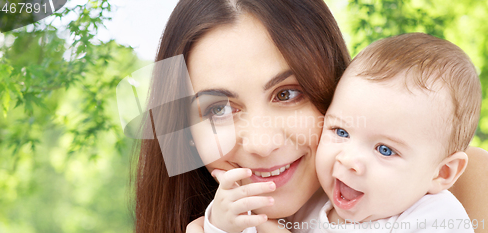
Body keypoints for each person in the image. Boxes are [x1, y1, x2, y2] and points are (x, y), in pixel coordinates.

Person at [131, 1, 488, 233]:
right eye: (218, 109)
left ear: (331, 85)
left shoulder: (452, 194)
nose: (262, 144)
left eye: (287, 93)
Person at [314, 33, 478, 232]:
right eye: (341, 132)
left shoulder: (436, 217)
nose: (348, 160)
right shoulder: (311, 200)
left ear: (442, 172)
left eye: (385, 150)